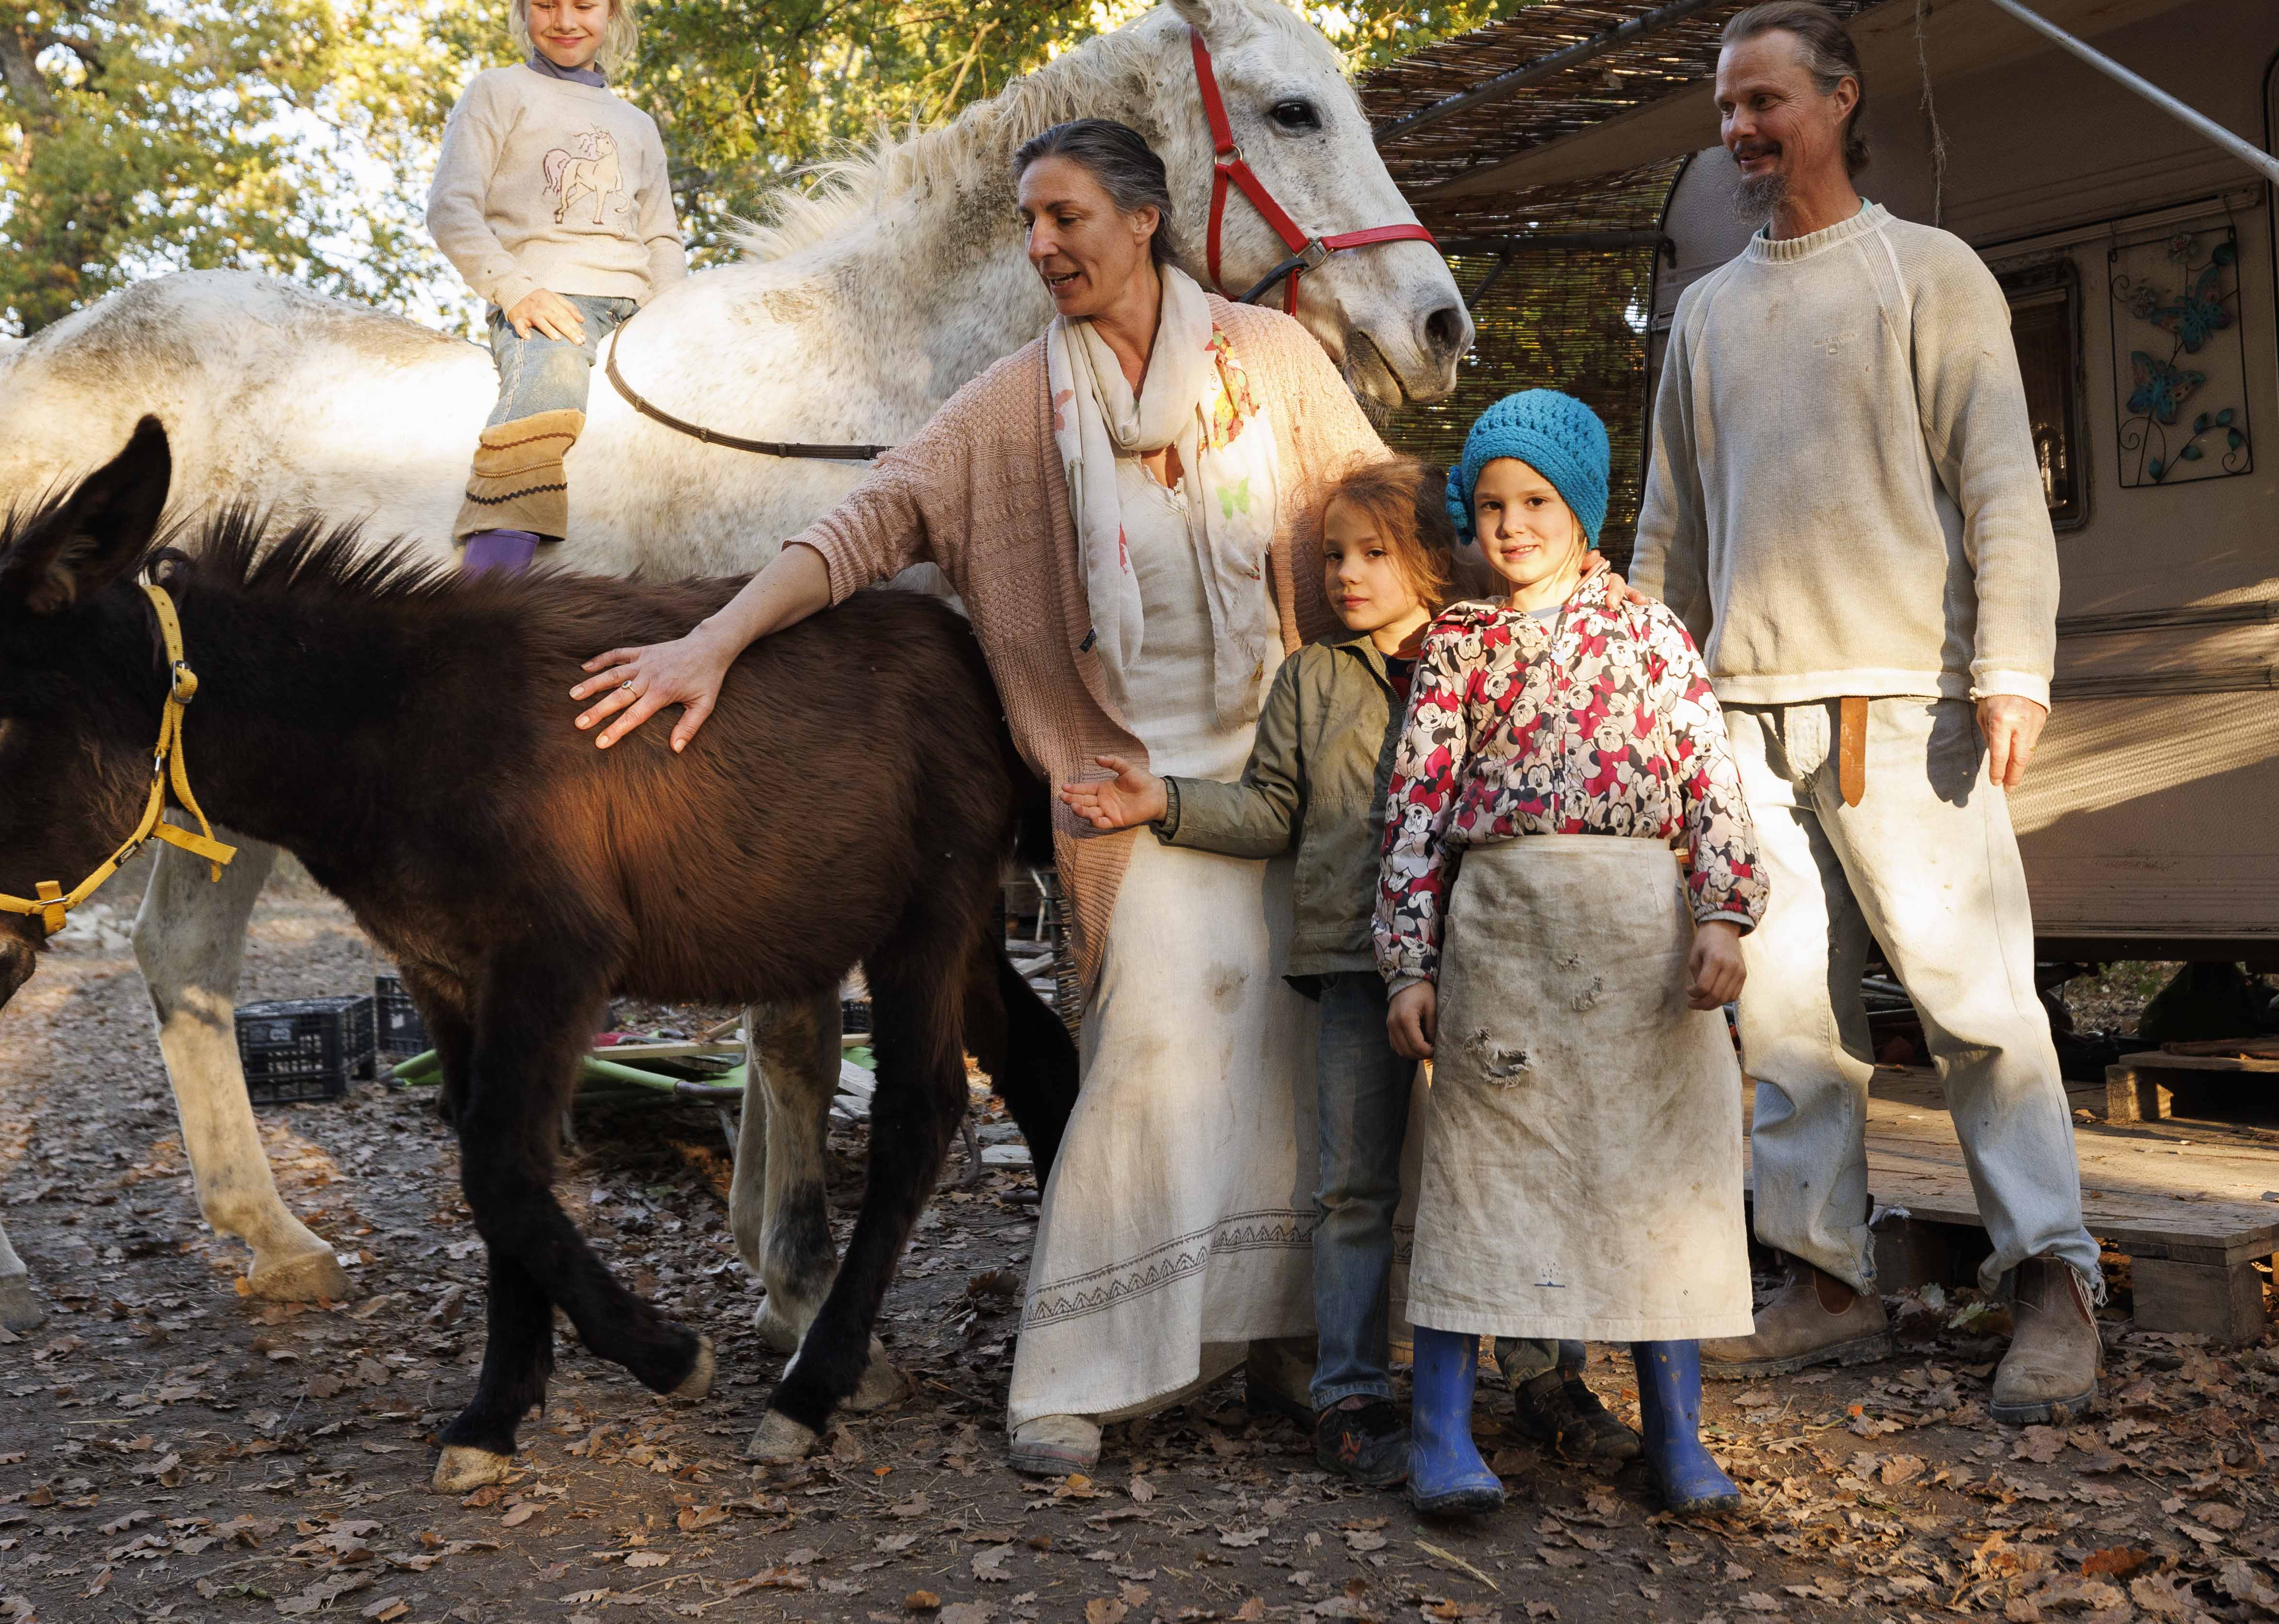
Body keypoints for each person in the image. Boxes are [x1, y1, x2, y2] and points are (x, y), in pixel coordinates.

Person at [568, 118, 1386, 1477]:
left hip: (1290, 761)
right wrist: (710, 639)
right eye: (1029, 223)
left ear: (1143, 219)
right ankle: (1082, 1364)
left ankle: (1277, 1345)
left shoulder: (1274, 360)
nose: (1042, 246)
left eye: (1065, 217)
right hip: (1125, 782)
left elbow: (1379, 509)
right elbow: (863, 525)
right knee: (1153, 1047)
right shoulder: (1018, 405)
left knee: (1292, 1060)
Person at [1631, 0, 2097, 1423]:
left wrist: (2009, 664)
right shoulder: (1705, 313)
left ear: (1838, 100)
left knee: (1974, 1006)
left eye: (1764, 101)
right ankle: (1825, 1279)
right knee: (1783, 1019)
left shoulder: (1927, 273)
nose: (1740, 132)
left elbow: (1999, 488)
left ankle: (2054, 1284)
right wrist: (1650, 699)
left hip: (1907, 704)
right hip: (1738, 719)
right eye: (1726, 110)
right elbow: (1667, 531)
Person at [1056, 459, 1643, 1485]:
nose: (1346, 574)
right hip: (1353, 961)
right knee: (1352, 1188)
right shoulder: (1313, 679)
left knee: (1511, 1173)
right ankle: (1350, 1391)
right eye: (1331, 555)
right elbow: (1272, 810)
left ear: (1427, 555)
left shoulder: (1493, 657)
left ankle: (1545, 1377)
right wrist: (1164, 800)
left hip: (1489, 959)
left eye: (1373, 552)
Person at [1373, 390, 1762, 1518]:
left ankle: (1675, 1435)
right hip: (1504, 940)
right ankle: (1443, 1429)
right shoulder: (1455, 644)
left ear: (1583, 505)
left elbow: (1708, 780)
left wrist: (1722, 914)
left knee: (1651, 1177)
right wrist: (1409, 958)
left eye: (1536, 498)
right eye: (1489, 502)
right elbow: (1412, 806)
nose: (1511, 523)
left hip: (1639, 945)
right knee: (1478, 1176)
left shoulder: (1650, 634)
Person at [426, 0, 688, 571]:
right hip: (550, 303)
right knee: (552, 383)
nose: (565, 20)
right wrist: (514, 290)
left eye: (583, 4)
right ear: (522, 8)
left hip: (638, 307)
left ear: (610, 9)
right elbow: (450, 209)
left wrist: (676, 314)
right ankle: (491, 576)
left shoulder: (636, 124)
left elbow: (660, 233)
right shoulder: (497, 93)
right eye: (545, 4)